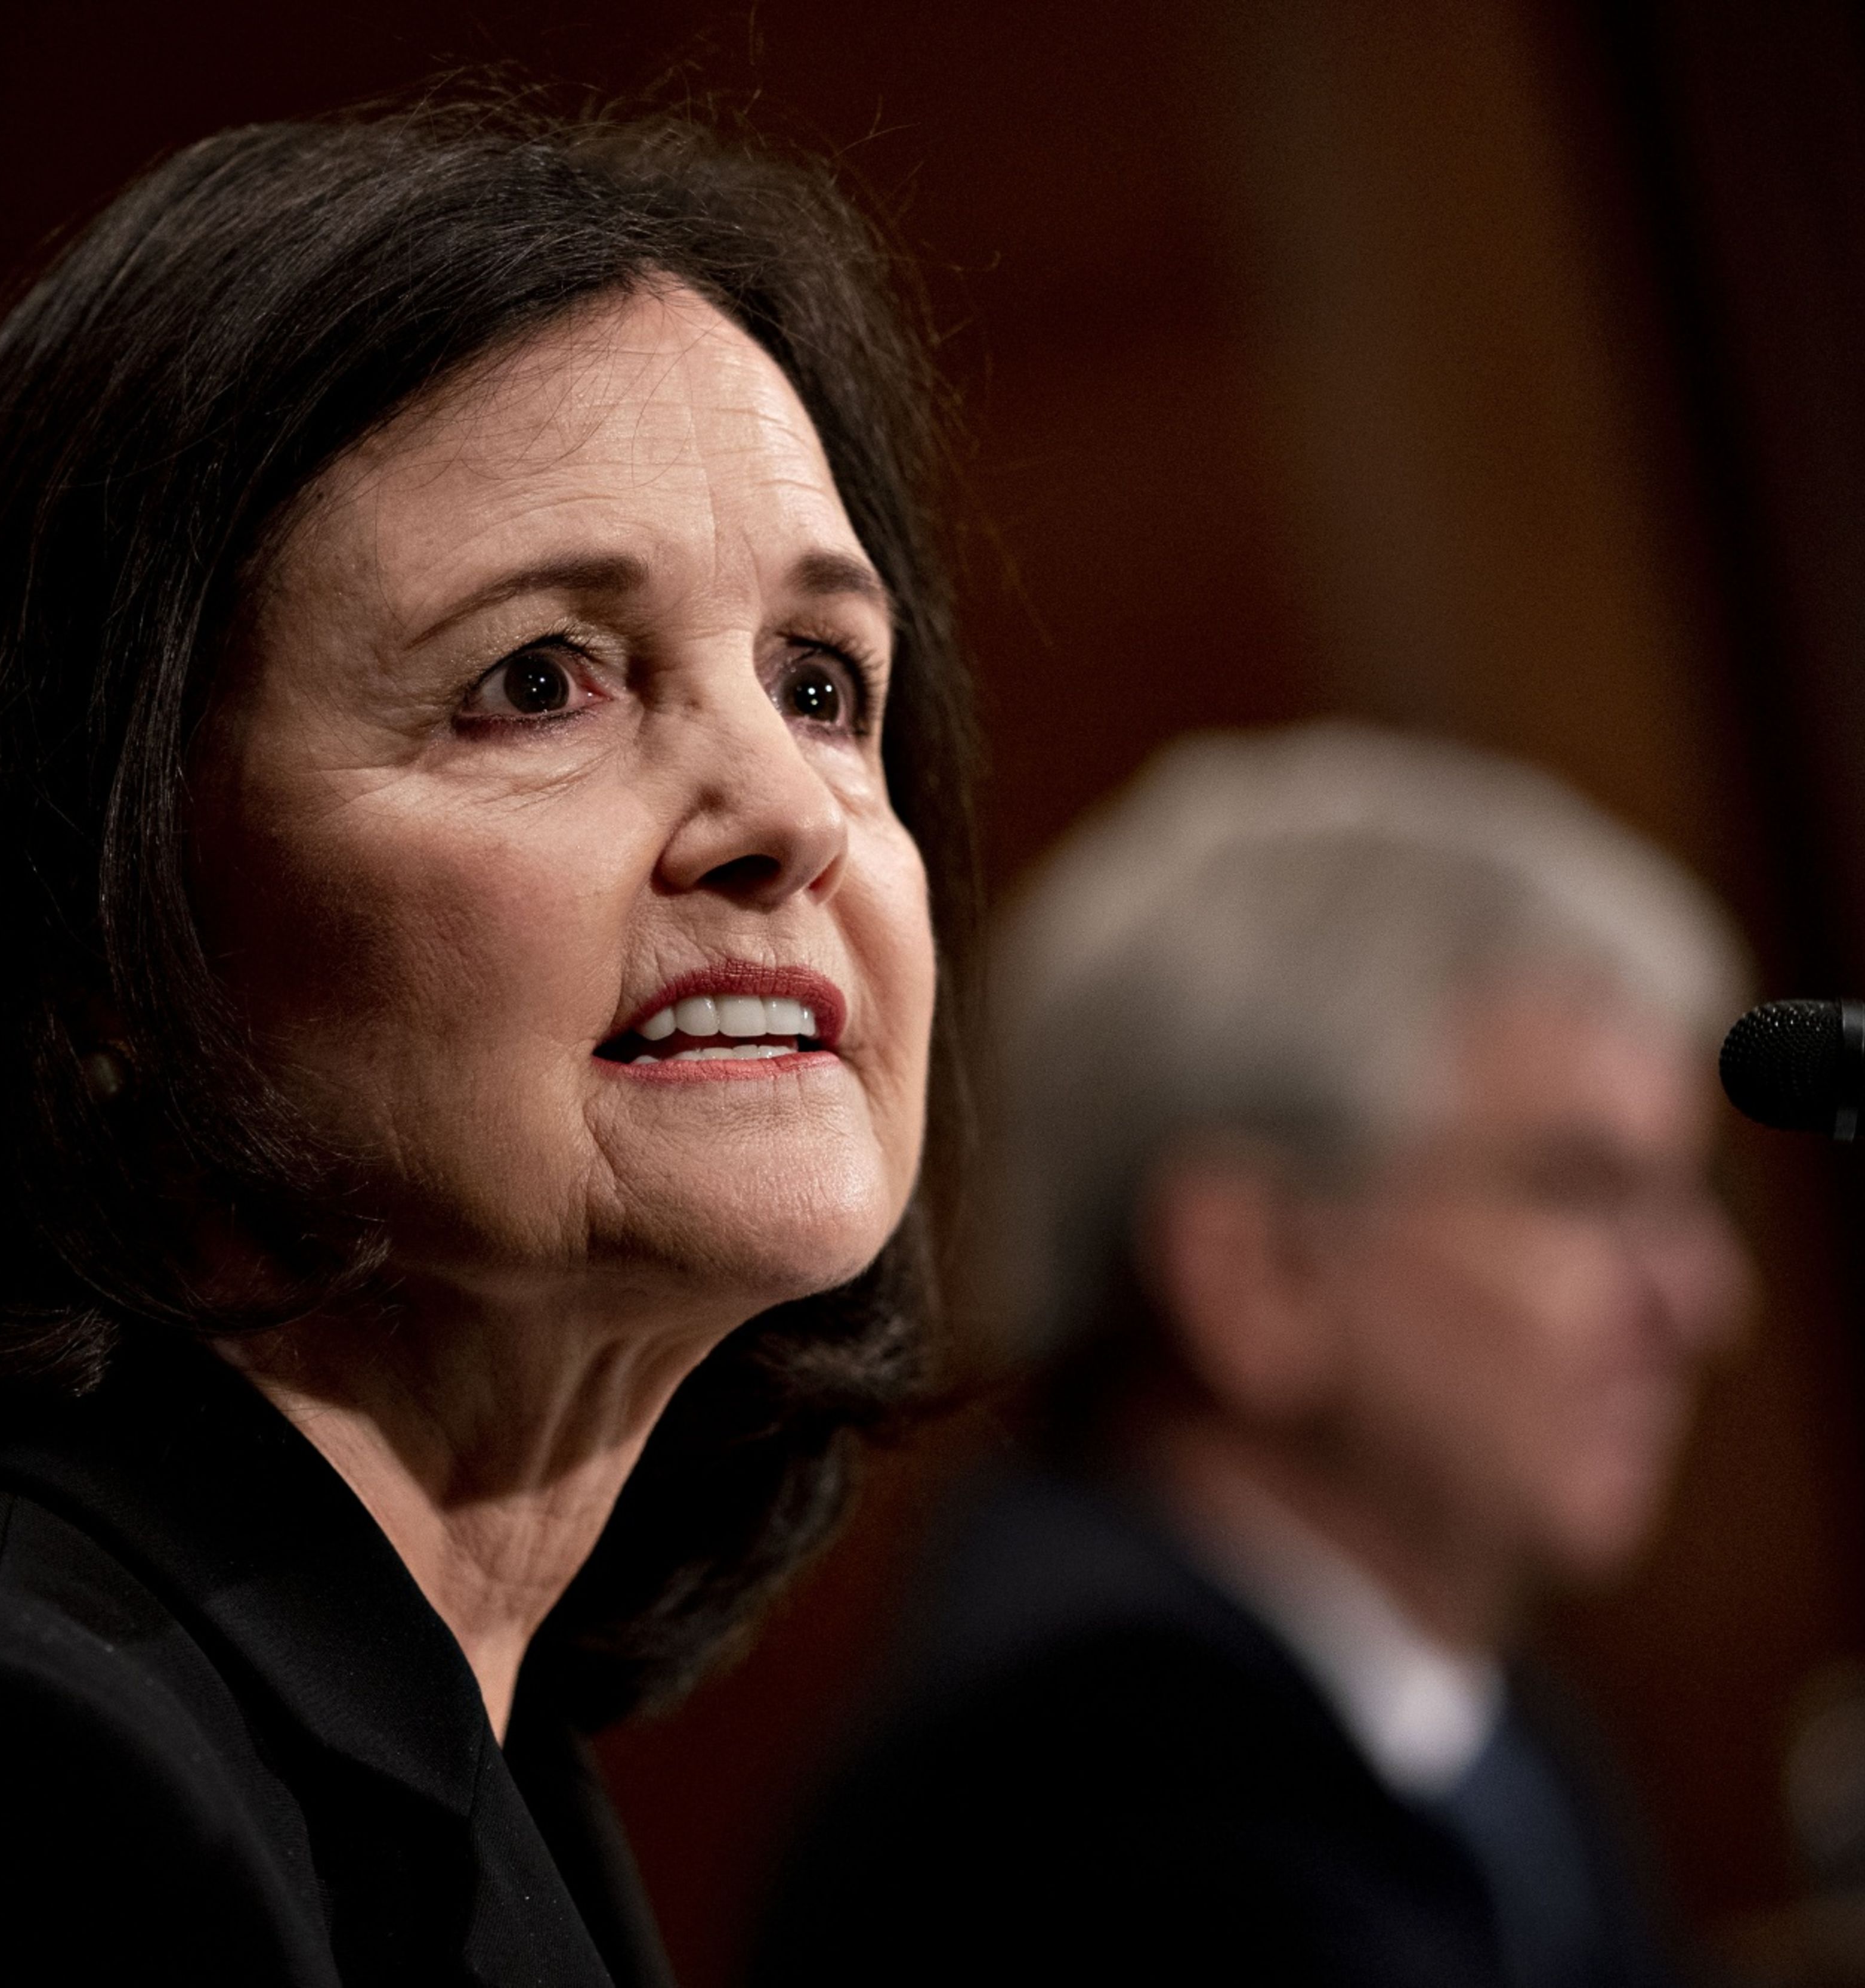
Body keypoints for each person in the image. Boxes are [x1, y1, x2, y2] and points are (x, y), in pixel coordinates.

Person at [0, 106, 973, 1986]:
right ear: (98, 929)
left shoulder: (467, 1750)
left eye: (816, 680)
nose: (781, 805)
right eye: (535, 678)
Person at [750, 724, 1750, 1988]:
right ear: (1255, 1270)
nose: (1706, 1296)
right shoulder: (1084, 1820)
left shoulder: (1492, 1738)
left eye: (1686, 1196)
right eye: (1583, 1188)